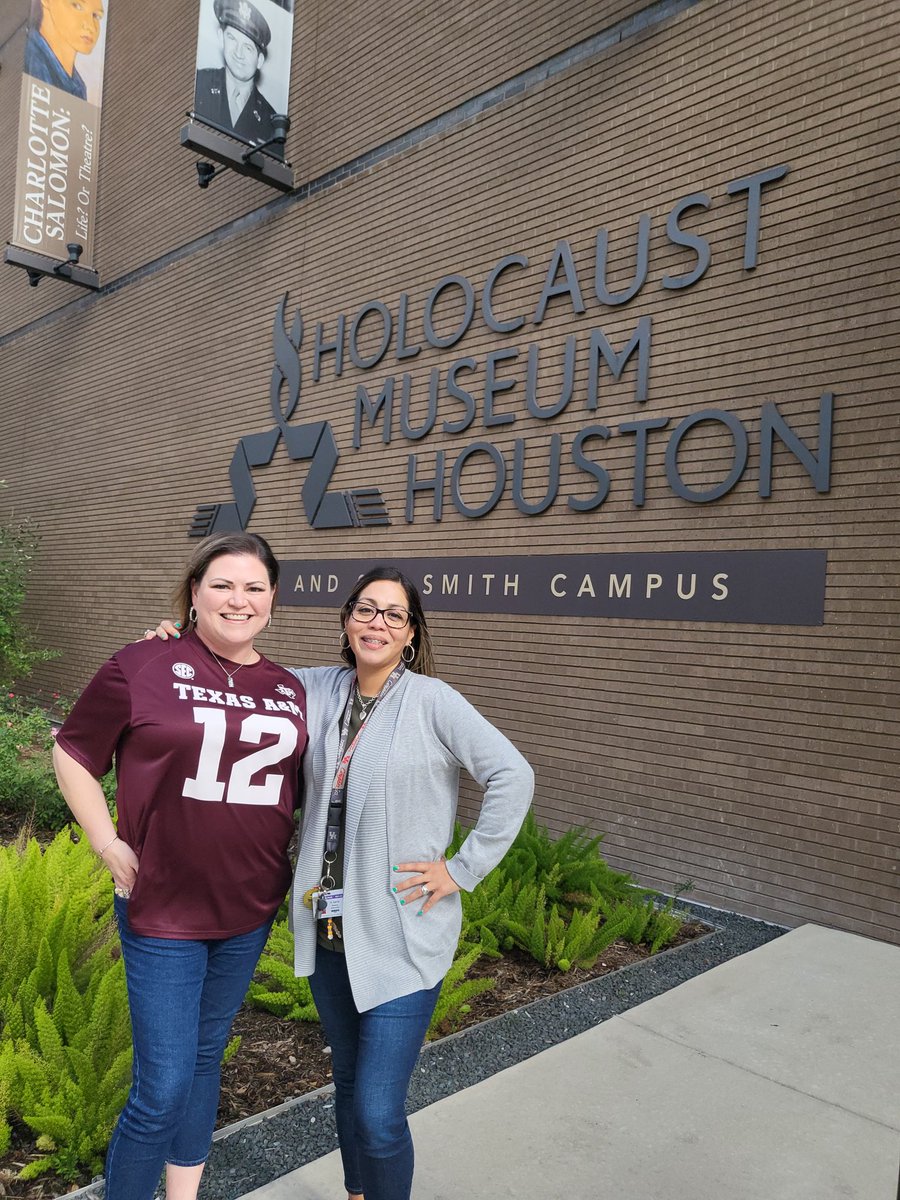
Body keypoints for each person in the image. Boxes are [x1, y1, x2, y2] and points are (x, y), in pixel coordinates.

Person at [152, 564, 534, 1200]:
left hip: (403, 936)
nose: (377, 623)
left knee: (379, 1114)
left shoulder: (432, 701)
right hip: (330, 931)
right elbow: (234, 680)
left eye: (393, 614)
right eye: (365, 609)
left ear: (411, 633)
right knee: (351, 1085)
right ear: (346, 619)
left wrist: (461, 869)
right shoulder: (312, 688)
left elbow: (512, 776)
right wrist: (178, 645)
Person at [53, 532, 307, 1200]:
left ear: (273, 600)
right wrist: (106, 841)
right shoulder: (142, 663)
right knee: (161, 1088)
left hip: (248, 907)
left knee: (202, 1061)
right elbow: (73, 751)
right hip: (161, 904)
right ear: (193, 593)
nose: (238, 599)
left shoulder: (289, 687)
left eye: (254, 587)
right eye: (222, 584)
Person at [193, 0, 280, 153]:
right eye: (232, 38)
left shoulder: (271, 121)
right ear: (221, 37)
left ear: (259, 60)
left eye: (247, 47)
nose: (238, 53)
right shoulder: (201, 83)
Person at [24, 0, 104, 101]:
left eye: (96, 16)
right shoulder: (31, 65)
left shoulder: (78, 86)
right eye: (77, 6)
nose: (91, 26)